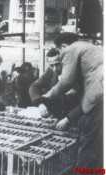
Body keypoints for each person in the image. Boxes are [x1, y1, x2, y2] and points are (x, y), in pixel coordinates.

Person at [42, 33, 103, 169]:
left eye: (59, 52)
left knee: (87, 144)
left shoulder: (71, 49)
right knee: (96, 142)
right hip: (99, 96)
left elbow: (66, 81)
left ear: (63, 46)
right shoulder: (90, 47)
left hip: (99, 97)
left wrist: (50, 94)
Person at [29, 48, 80, 127]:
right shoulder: (50, 72)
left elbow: (85, 103)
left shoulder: (77, 74)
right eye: (51, 65)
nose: (55, 68)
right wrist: (40, 104)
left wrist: (68, 119)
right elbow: (34, 87)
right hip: (58, 118)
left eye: (57, 64)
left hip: (75, 118)